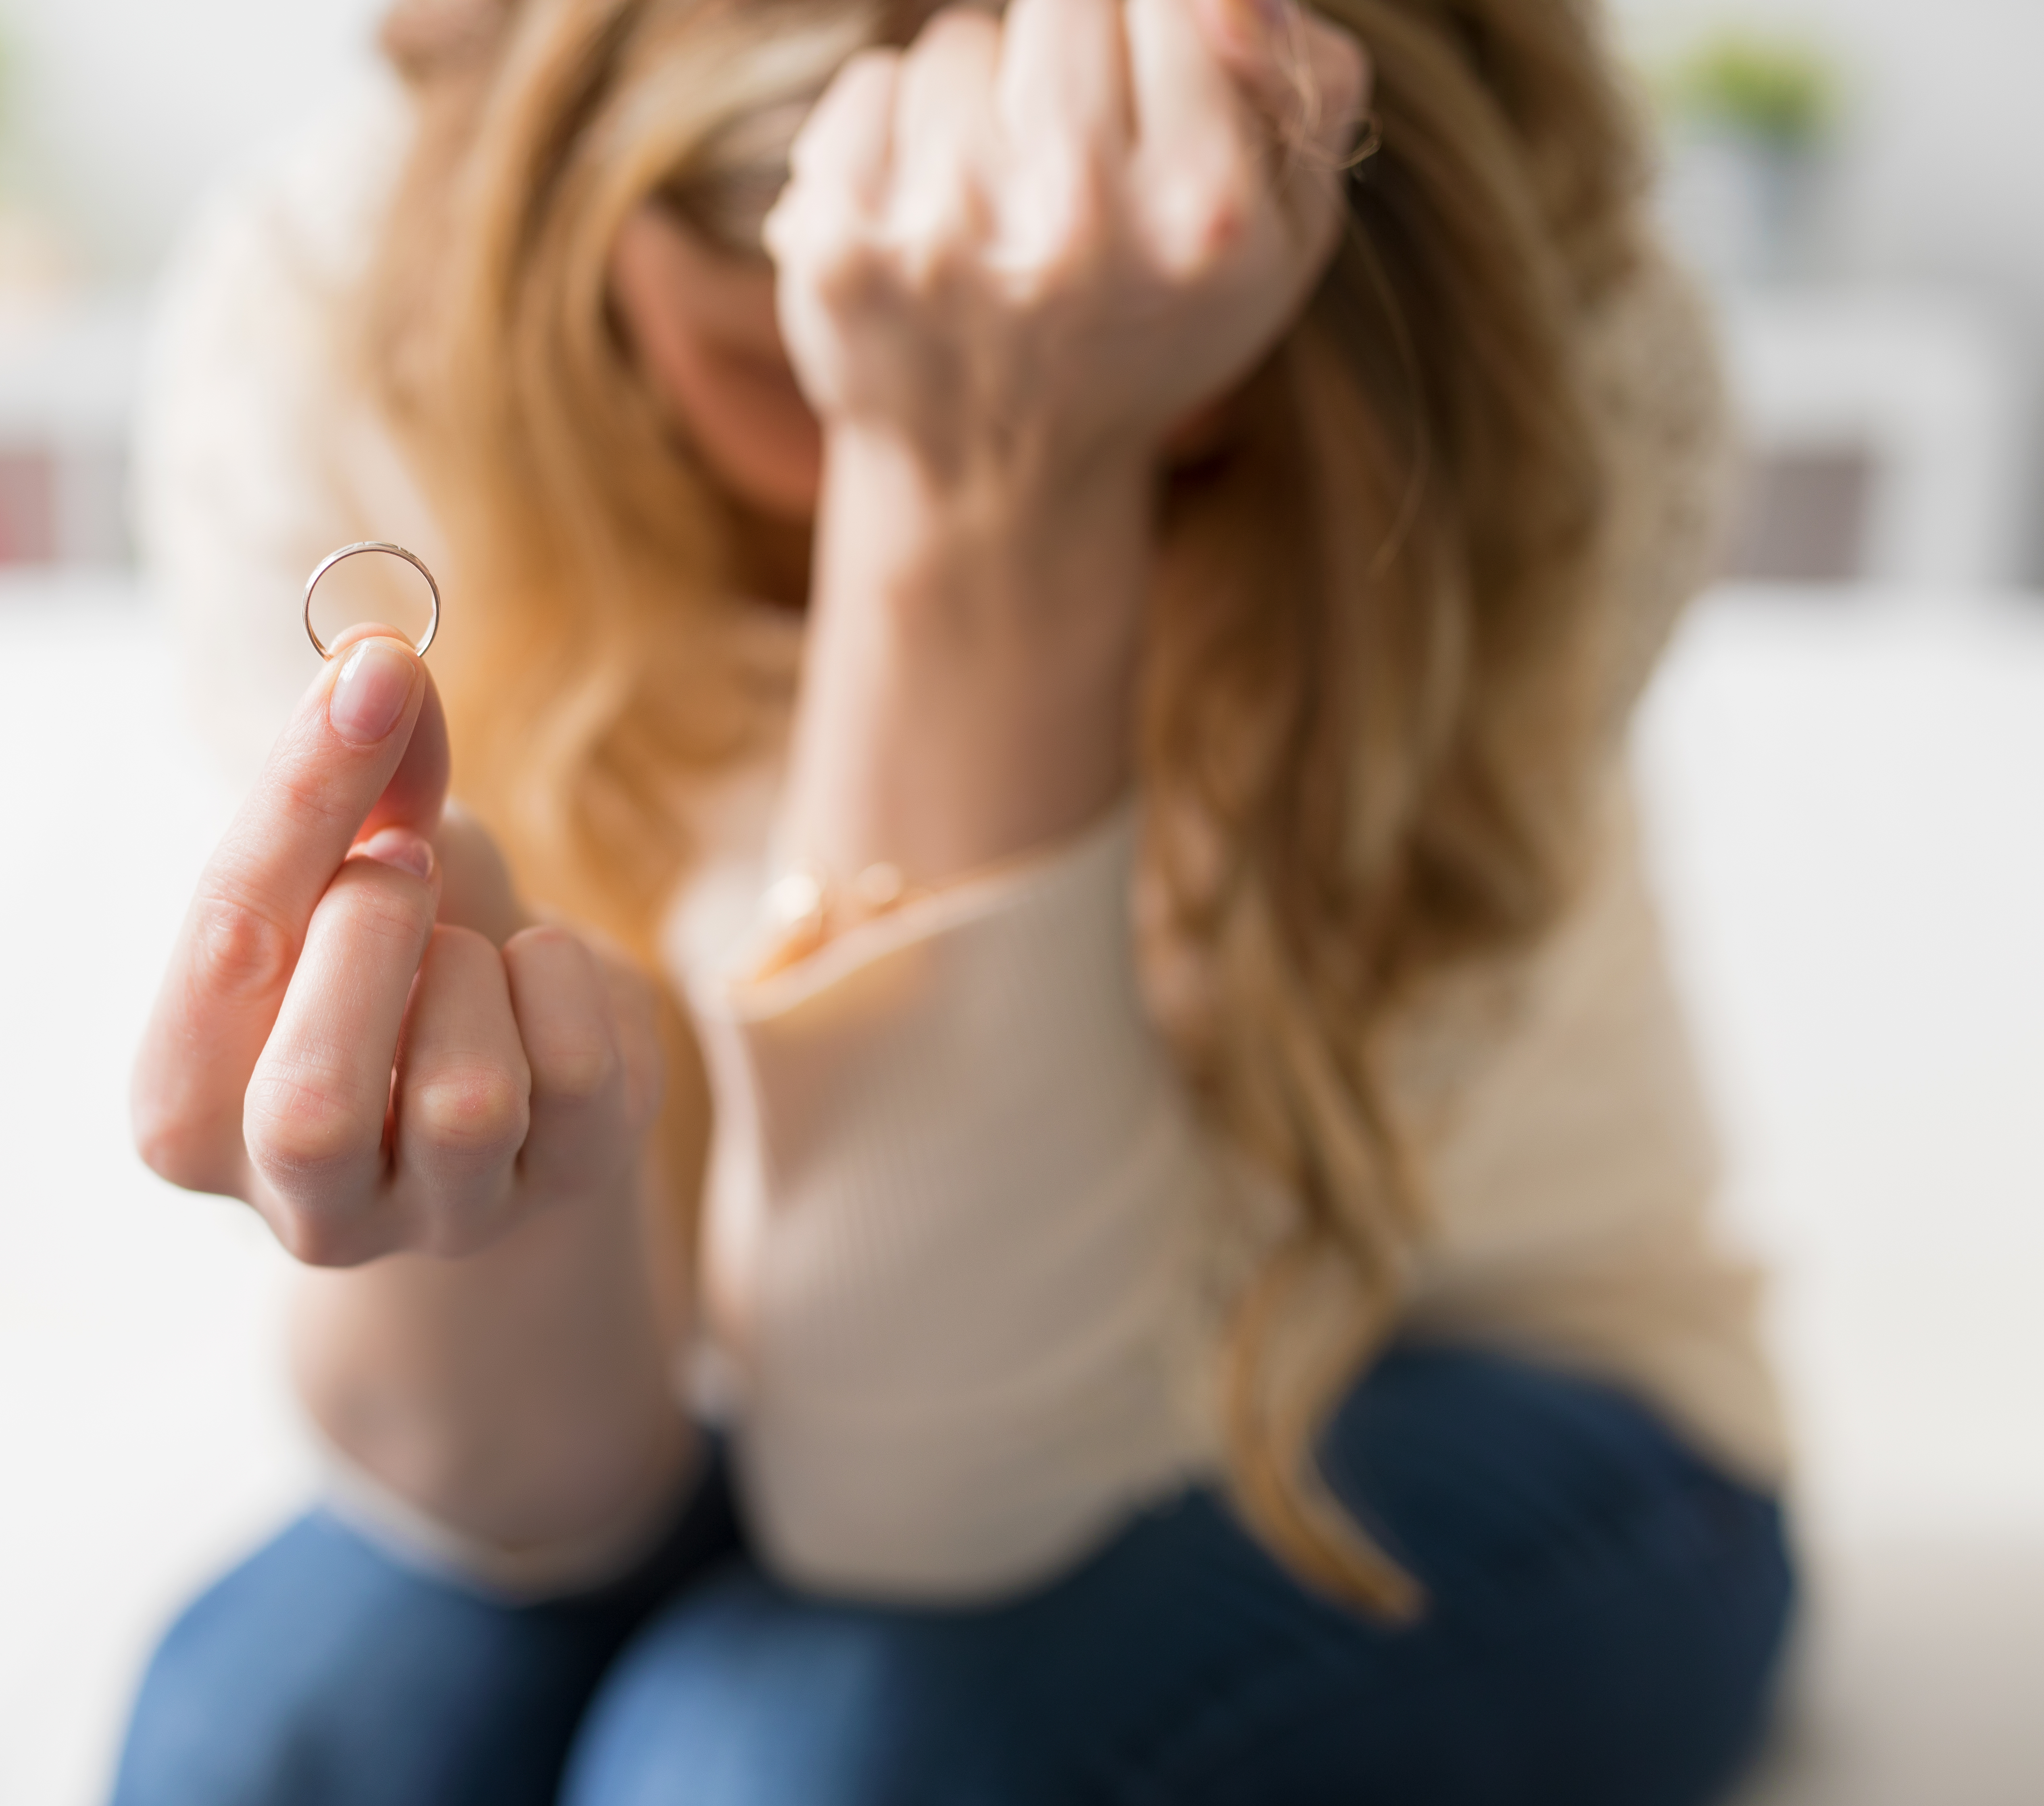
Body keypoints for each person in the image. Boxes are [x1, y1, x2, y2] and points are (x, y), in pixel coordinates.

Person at [116, 0, 1795, 1798]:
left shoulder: (1532, 357)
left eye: (1147, 351)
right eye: (785, 372)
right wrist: (498, 1191)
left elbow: (922, 1507)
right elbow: (539, 1488)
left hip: (1462, 1370)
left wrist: (992, 502)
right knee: (276, 1739)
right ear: (585, 234)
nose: (864, 449)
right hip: (738, 1387)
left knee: (789, 1764)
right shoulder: (349, 311)